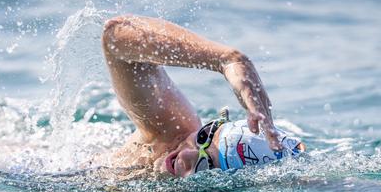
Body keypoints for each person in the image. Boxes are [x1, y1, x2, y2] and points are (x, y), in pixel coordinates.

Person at [101, 15, 304, 178]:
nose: (187, 154)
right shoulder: (171, 134)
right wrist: (226, 60)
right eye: (203, 136)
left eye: (206, 164)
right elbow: (115, 35)